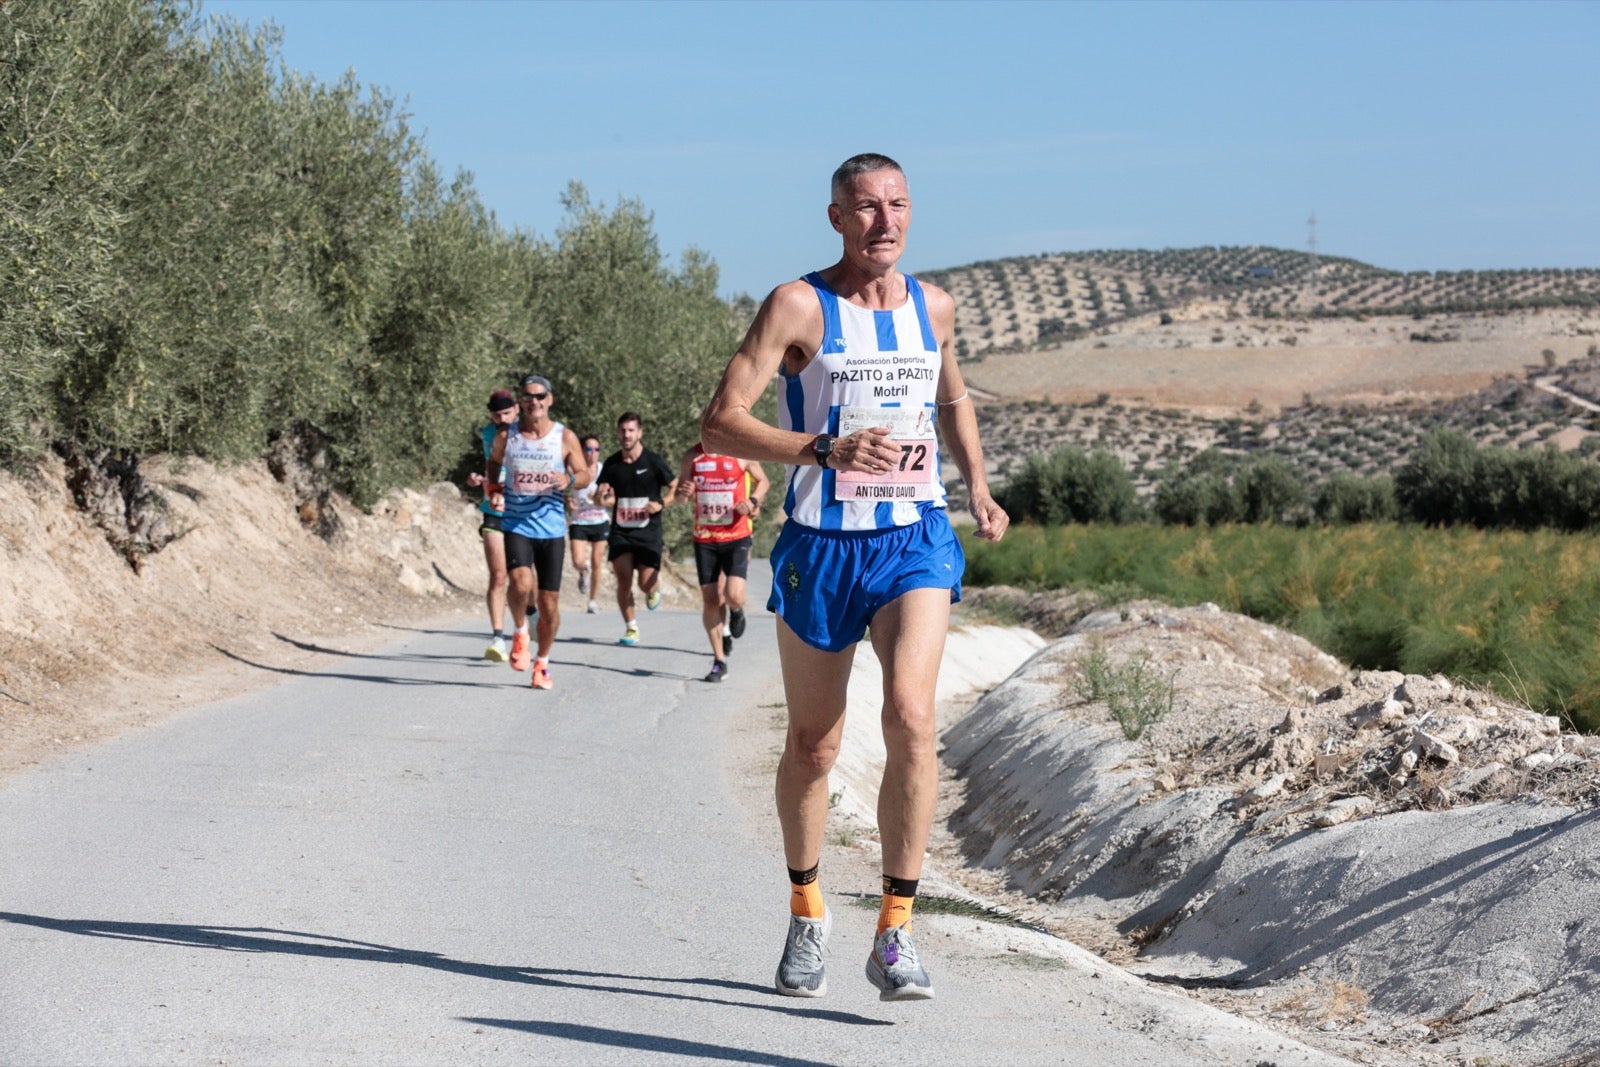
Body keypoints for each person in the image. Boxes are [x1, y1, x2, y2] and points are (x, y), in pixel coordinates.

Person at [700, 153, 1009, 1002]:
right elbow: (719, 422)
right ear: (836, 217)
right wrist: (821, 448)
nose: (886, 221)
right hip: (822, 543)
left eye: (899, 205)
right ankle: (807, 909)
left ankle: (897, 932)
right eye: (867, 207)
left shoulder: (933, 307)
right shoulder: (799, 305)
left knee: (912, 715)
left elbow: (952, 398)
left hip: (914, 534)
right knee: (814, 744)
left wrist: (976, 483)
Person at [484, 374, 591, 690]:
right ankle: (519, 631)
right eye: (529, 397)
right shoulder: (508, 436)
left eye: (540, 396)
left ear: (550, 399)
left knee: (549, 605)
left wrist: (568, 481)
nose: (535, 401)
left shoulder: (564, 437)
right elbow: (493, 462)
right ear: (522, 402)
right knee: (519, 580)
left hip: (552, 528)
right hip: (517, 523)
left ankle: (542, 662)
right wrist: (493, 488)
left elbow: (584, 473)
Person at [674, 441, 769, 682]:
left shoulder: (740, 452)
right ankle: (719, 661)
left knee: (733, 594)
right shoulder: (692, 456)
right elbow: (680, 497)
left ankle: (736, 611)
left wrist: (753, 502)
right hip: (705, 538)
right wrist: (683, 494)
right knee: (711, 598)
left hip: (736, 536)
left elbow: (764, 481)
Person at [593, 411, 677, 646]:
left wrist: (660, 503)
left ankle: (653, 589)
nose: (627, 435)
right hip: (621, 530)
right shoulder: (611, 463)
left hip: (648, 530)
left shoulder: (653, 461)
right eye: (623, 430)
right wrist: (600, 497)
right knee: (624, 578)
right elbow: (600, 498)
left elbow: (675, 487)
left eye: (631, 430)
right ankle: (631, 627)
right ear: (618, 433)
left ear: (639, 433)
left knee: (644, 583)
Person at [465, 389, 518, 661]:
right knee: (499, 576)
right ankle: (498, 638)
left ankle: (527, 621)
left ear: (517, 409)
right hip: (494, 509)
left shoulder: (531, 433)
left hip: (522, 512)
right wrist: (479, 480)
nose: (502, 419)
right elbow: (492, 466)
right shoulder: (489, 433)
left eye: (507, 413)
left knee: (522, 579)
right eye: (497, 415)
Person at [566, 433, 608, 614]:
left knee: (597, 560)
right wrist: (567, 501)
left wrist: (601, 499)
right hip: (579, 521)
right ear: (582, 451)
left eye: (596, 449)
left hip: (599, 520)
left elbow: (615, 498)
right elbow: (564, 492)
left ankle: (593, 600)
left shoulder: (605, 470)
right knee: (577, 561)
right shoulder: (573, 469)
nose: (592, 453)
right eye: (588, 449)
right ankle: (583, 572)